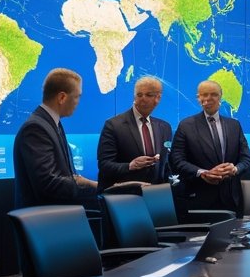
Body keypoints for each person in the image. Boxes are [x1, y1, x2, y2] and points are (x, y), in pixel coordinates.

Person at [14, 68, 98, 208]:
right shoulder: (35, 128)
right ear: (62, 97)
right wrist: (85, 183)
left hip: (57, 218)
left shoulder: (52, 123)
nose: (78, 102)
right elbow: (48, 184)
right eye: (77, 96)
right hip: (42, 223)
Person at [171, 79, 250, 215]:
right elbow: (176, 160)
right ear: (198, 98)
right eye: (204, 94)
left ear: (220, 97)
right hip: (199, 198)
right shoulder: (186, 125)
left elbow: (247, 160)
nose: (209, 98)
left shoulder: (234, 125)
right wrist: (202, 173)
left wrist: (235, 169)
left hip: (231, 199)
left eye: (213, 94)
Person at [97, 76, 172, 191]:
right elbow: (104, 165)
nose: (142, 99)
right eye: (139, 95)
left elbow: (166, 166)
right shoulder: (113, 125)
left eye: (148, 95)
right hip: (124, 195)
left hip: (156, 194)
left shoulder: (164, 127)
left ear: (158, 98)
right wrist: (130, 166)